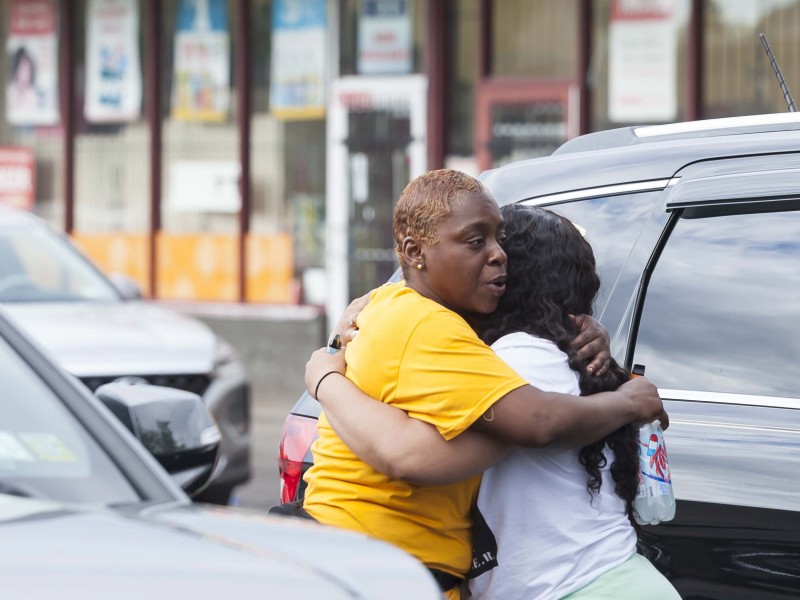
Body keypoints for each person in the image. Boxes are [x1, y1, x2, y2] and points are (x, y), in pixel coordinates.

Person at [300, 169, 666, 599]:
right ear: (415, 252)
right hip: (374, 571)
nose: (498, 256)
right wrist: (628, 399)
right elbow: (533, 422)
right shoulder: (429, 325)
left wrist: (324, 371)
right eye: (477, 242)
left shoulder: (423, 320)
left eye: (500, 241)